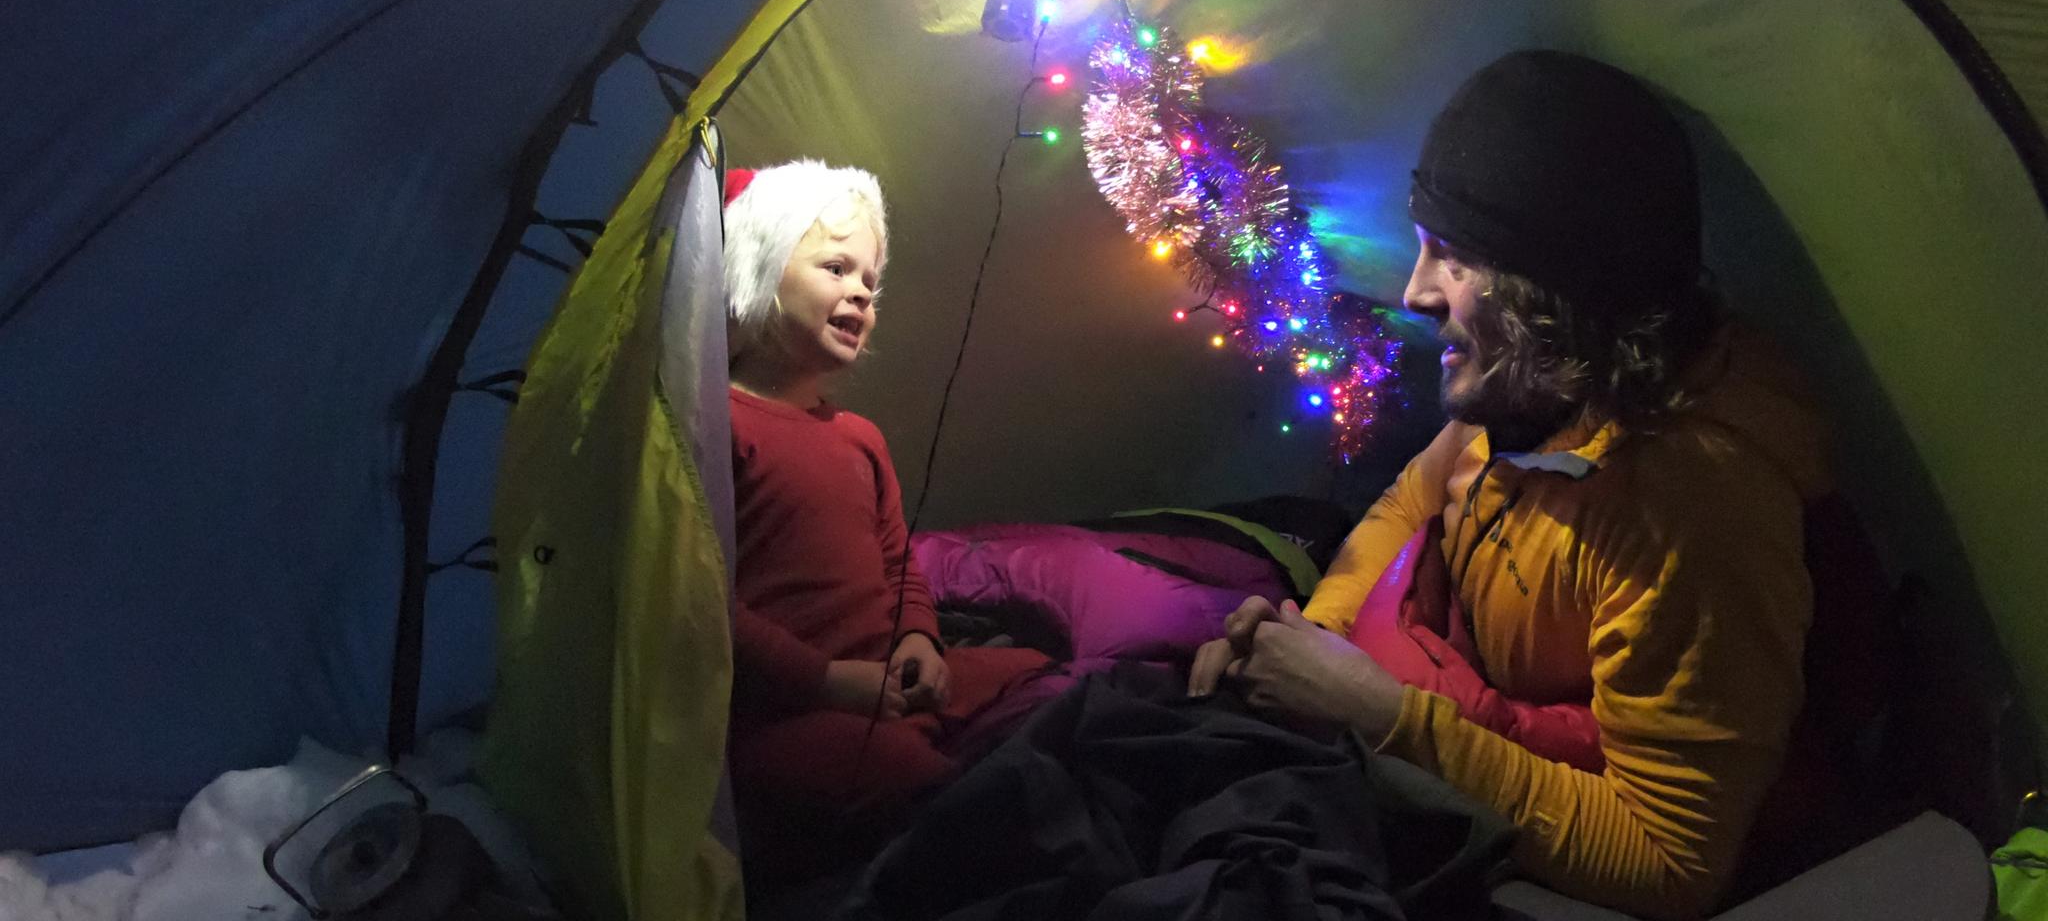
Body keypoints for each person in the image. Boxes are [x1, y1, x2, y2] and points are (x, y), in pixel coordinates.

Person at [1189, 51, 1835, 920]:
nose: (1414, 291)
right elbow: (1410, 502)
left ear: (1554, 290)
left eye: (1451, 258)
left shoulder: (1691, 512)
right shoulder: (1549, 380)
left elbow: (1674, 862)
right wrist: (1308, 647)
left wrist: (1380, 716)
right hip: (1440, 687)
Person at [718, 160, 1064, 883]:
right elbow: (695, 603)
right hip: (785, 710)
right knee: (922, 788)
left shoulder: (860, 437)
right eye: (836, 267)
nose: (859, 294)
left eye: (871, 283)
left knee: (1042, 677)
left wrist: (920, 639)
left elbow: (898, 562)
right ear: (758, 261)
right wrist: (825, 681)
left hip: (888, 680)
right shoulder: (717, 423)